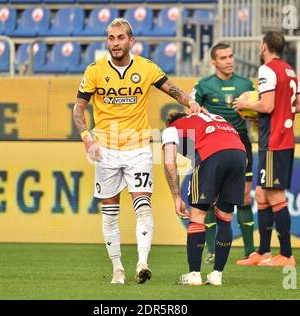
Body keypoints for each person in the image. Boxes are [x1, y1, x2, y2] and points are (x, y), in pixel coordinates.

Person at [73, 18, 204, 284]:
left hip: (138, 148)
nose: (115, 43)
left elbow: (172, 89)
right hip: (106, 150)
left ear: (131, 41)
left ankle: (142, 263)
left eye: (120, 38)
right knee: (110, 213)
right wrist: (87, 138)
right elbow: (78, 108)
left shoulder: (145, 68)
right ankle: (117, 269)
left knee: (143, 207)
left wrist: (189, 101)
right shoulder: (95, 70)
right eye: (111, 38)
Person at [233, 31, 300, 266]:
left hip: (274, 141)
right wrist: (263, 116)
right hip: (281, 138)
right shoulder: (290, 70)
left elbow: (268, 104)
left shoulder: (267, 69)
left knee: (275, 194)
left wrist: (245, 104)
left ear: (264, 46)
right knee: (263, 193)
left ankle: (286, 255)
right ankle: (263, 253)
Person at [162, 111, 246, 286]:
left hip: (213, 155)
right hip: (239, 154)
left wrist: (177, 197)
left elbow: (169, 163)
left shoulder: (172, 128)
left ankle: (194, 275)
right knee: (225, 217)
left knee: (198, 216)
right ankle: (217, 275)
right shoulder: (211, 119)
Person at [191, 43, 256, 264]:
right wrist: (201, 113)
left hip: (240, 141)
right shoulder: (203, 86)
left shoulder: (246, 84)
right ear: (213, 62)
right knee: (209, 199)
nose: (229, 61)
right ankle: (211, 250)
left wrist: (252, 113)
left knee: (245, 197)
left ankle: (250, 252)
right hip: (212, 142)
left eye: (231, 56)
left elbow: (257, 114)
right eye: (223, 58)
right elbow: (190, 113)